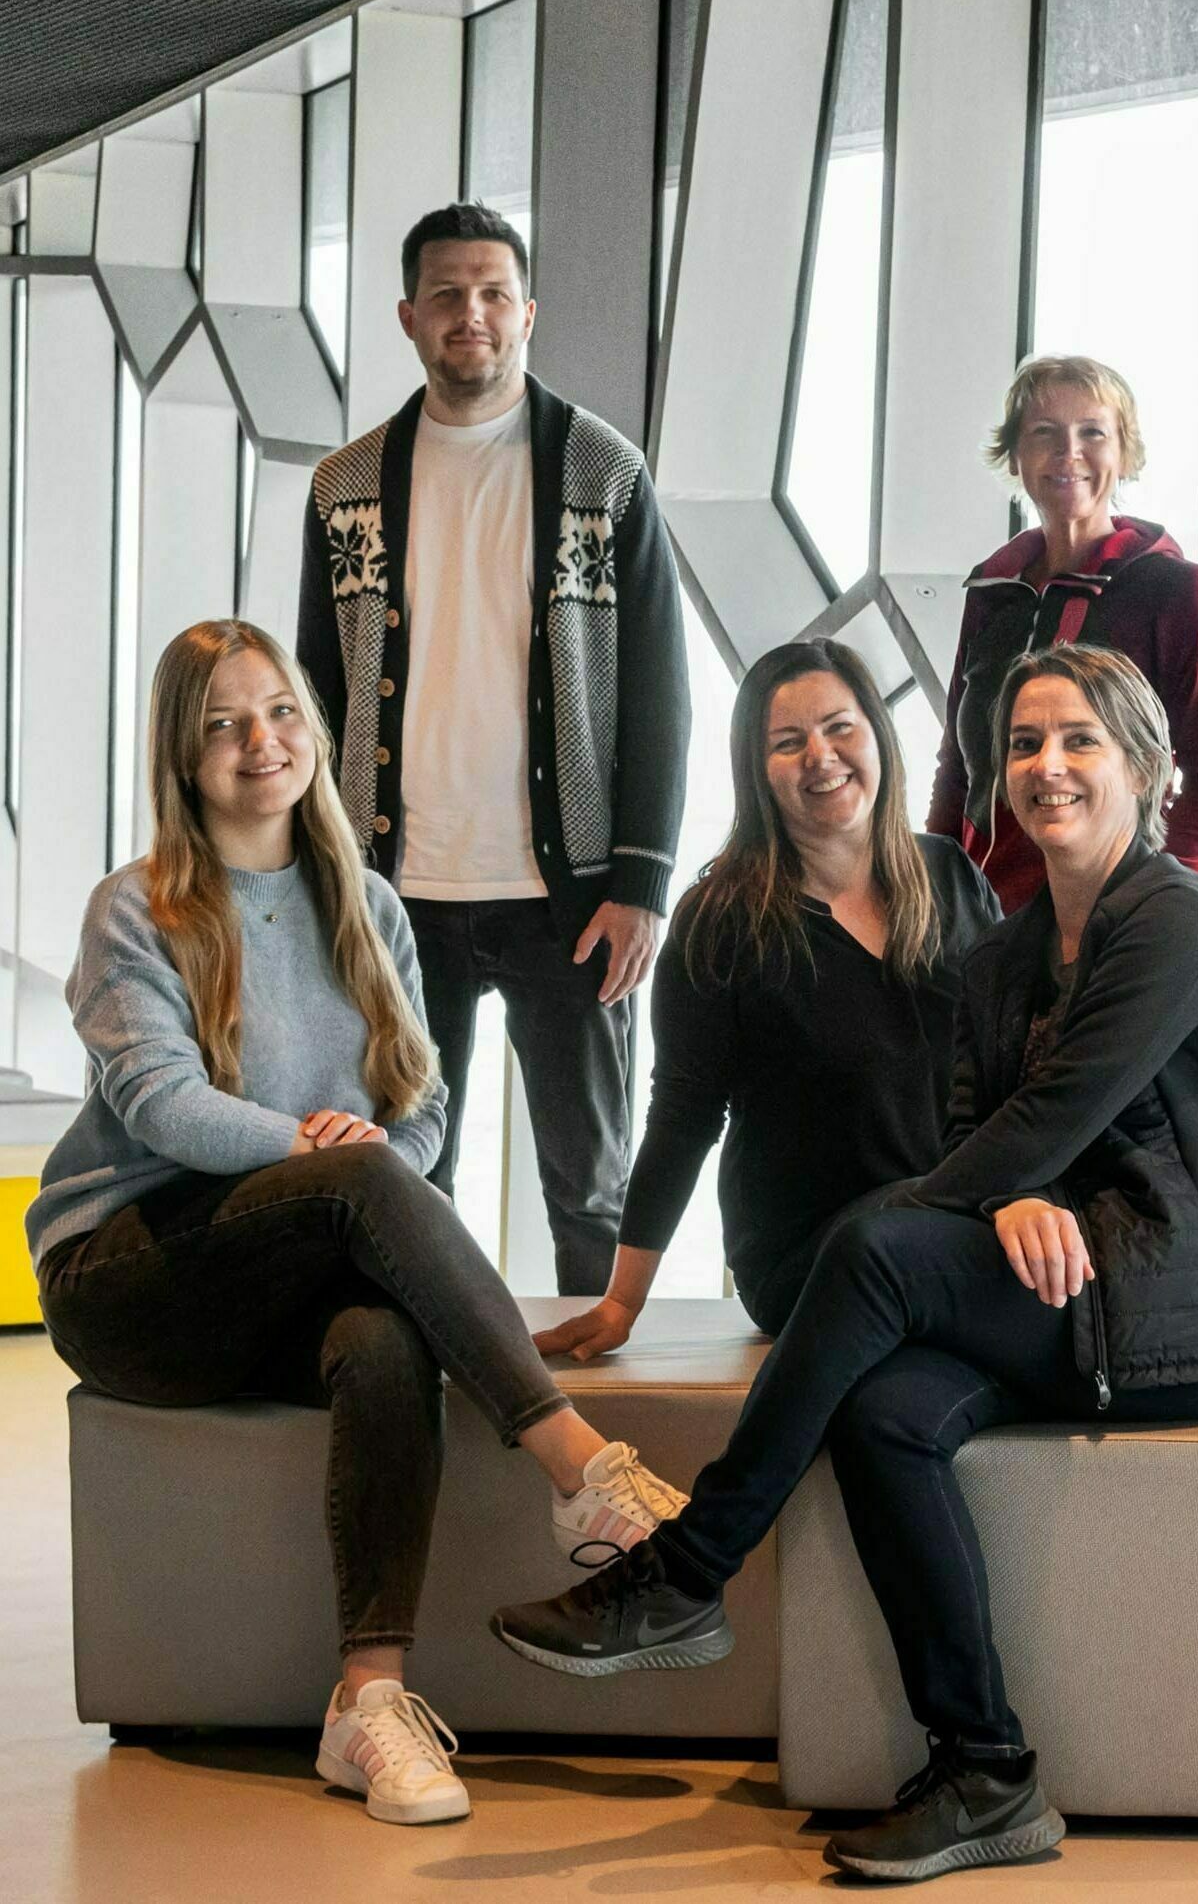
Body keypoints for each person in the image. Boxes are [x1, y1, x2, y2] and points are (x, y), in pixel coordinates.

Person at [495, 643, 1198, 1884]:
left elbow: (1050, 1115)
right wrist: (1011, 1199)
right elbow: (984, 1115)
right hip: (1070, 1293)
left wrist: (988, 1197)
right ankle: (986, 1765)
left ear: (1142, 763)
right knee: (881, 1412)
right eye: (1026, 744)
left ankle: (688, 1568)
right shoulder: (1012, 943)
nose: (1047, 766)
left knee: (873, 1244)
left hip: (1185, 1307)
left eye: (1078, 739)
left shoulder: (1176, 917)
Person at [27, 620, 688, 1830]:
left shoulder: (367, 903)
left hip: (289, 1245)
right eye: (221, 723)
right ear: (183, 752)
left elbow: (417, 1099)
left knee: (383, 1341)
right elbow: (162, 1104)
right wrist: (325, 1152)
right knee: (363, 1174)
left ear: (315, 731)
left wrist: (358, 1159)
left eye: (277, 711)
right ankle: (580, 1471)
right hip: (130, 1273)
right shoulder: (136, 908)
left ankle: (367, 1707)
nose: (257, 742)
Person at [296, 201, 690, 1297]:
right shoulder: (346, 486)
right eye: (447, 295)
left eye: (491, 293)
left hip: (571, 898)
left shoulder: (605, 473)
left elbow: (662, 689)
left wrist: (643, 881)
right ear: (409, 316)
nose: (470, 314)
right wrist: (320, 877)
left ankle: (608, 1420)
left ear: (527, 311)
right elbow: (312, 697)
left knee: (592, 1185)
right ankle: (443, 1399)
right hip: (395, 893)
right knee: (410, 1175)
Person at [533, 640, 1000, 1361]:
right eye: (788, 743)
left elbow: (1012, 1062)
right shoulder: (722, 920)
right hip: (809, 1250)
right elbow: (684, 1114)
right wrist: (623, 1301)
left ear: (877, 732)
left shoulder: (952, 878)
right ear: (758, 772)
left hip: (944, 1226)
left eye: (840, 727)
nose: (821, 756)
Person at [925, 355, 1198, 913]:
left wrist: (1139, 905)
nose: (1067, 452)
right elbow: (958, 766)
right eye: (1043, 433)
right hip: (983, 927)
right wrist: (932, 890)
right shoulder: (992, 591)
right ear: (1016, 454)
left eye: (1092, 432)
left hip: (1106, 926)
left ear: (1124, 452)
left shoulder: (1177, 591)